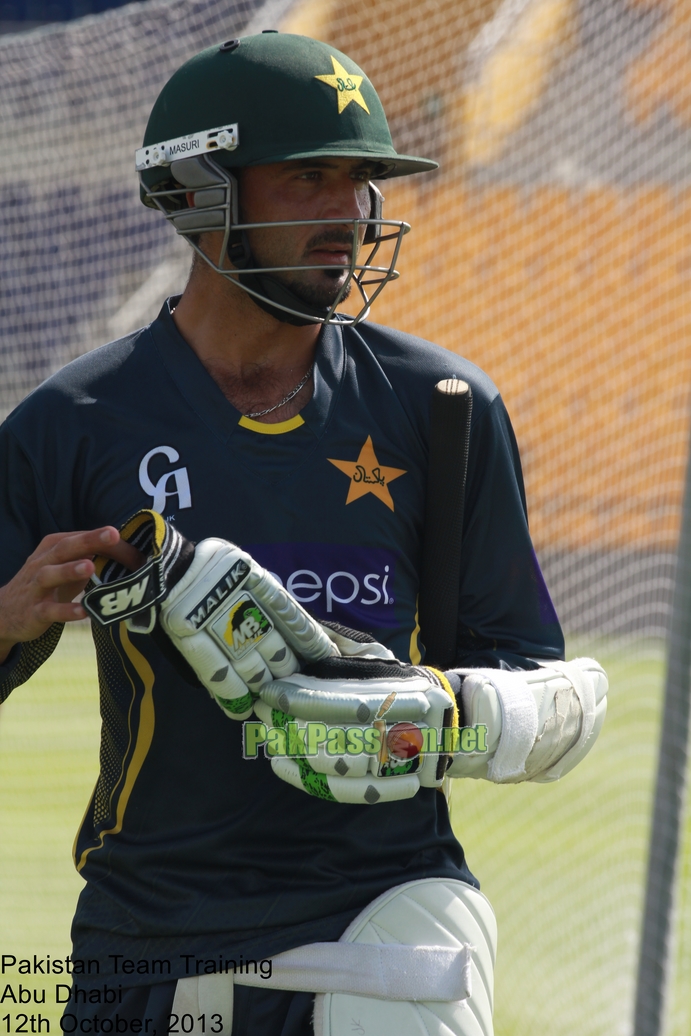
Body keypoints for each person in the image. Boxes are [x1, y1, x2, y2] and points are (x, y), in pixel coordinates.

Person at [0, 32, 606, 1036]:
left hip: (386, 910)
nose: (351, 215)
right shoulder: (71, 423)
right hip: (149, 938)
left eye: (363, 180)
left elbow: (525, 673)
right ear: (202, 193)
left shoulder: (443, 407)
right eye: (310, 177)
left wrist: (439, 715)